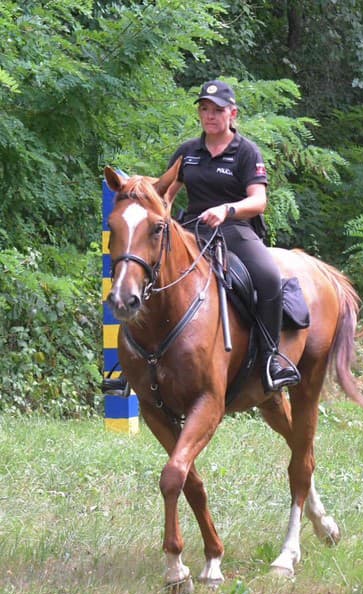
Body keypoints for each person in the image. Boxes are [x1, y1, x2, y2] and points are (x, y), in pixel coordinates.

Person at [102, 79, 299, 395]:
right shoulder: (188, 152)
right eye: (205, 109)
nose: (210, 115)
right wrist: (138, 194)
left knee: (268, 278)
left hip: (235, 229)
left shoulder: (246, 151)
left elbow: (258, 200)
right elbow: (164, 193)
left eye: (218, 110)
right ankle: (131, 366)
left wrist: (226, 210)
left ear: (232, 113)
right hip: (191, 228)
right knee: (148, 272)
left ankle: (270, 358)